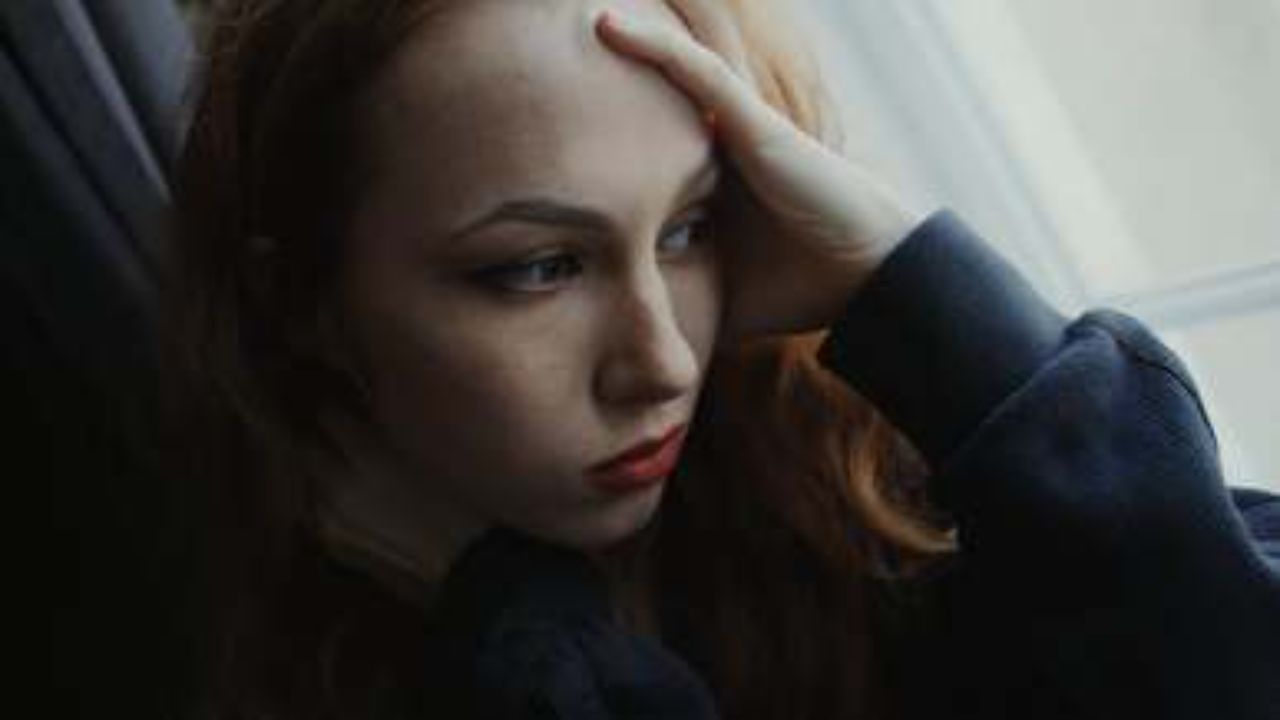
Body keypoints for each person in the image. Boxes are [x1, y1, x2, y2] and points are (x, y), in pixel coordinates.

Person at [162, 0, 1280, 718]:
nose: (660, 363)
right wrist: (528, 646)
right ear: (303, 302)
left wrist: (921, 293)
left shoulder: (875, 489)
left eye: (689, 228)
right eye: (537, 268)